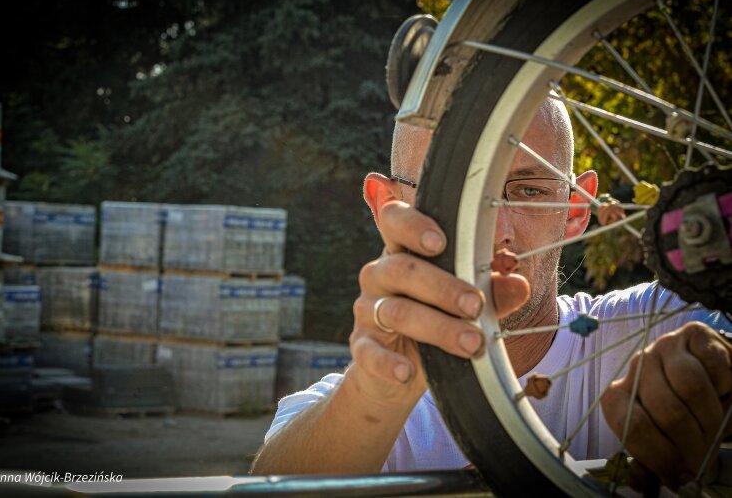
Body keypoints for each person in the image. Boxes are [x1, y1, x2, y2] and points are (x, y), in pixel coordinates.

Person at [251, 100, 732, 491]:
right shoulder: (353, 408)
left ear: (575, 210)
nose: (496, 231)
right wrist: (377, 389)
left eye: (528, 189)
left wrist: (716, 366)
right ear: (388, 207)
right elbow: (272, 482)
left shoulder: (662, 327)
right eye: (457, 192)